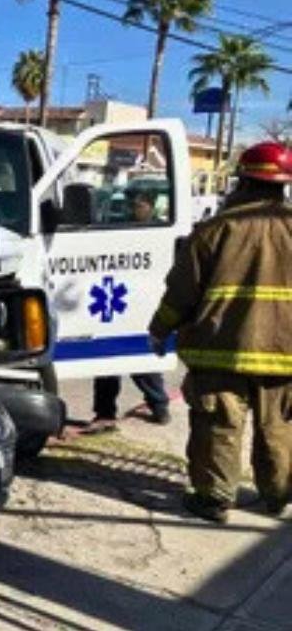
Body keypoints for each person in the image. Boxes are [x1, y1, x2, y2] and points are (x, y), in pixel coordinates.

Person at [148, 141, 292, 523]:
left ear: (242, 181)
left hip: (220, 350)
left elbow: (182, 292)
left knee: (219, 427)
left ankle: (214, 499)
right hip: (285, 353)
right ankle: (279, 495)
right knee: (278, 426)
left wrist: (159, 329)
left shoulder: (214, 230)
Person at [89, 192, 172, 432]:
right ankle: (104, 413)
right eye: (132, 204)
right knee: (105, 359)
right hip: (112, 298)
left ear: (150, 206)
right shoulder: (114, 228)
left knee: (140, 356)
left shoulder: (157, 232)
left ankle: (159, 404)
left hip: (139, 299)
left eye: (140, 203)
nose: (134, 208)